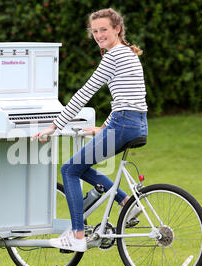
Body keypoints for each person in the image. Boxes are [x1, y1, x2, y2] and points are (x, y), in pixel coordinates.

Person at [32, 8, 148, 252]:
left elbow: (84, 93)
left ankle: (76, 235)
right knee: (82, 167)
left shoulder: (113, 56)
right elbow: (129, 98)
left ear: (117, 29)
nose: (98, 35)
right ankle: (126, 202)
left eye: (103, 29)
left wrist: (55, 126)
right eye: (95, 31)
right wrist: (104, 127)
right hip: (137, 123)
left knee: (69, 170)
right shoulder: (129, 53)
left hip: (123, 123)